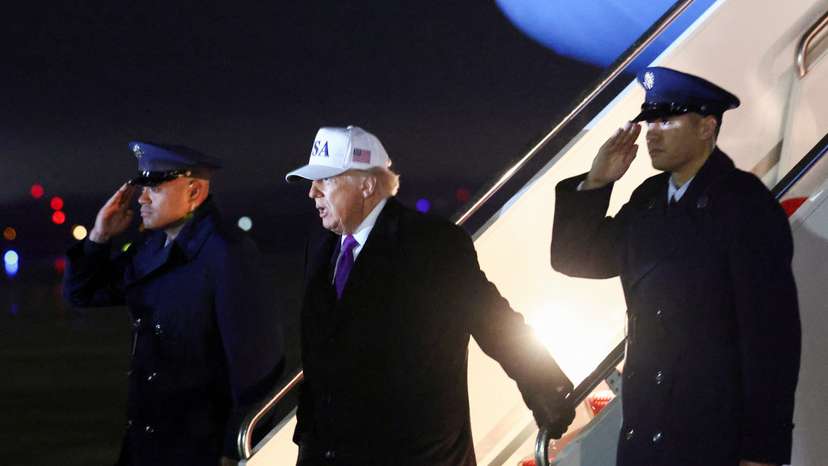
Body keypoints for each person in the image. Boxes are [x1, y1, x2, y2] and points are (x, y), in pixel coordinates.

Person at [549, 67, 801, 466]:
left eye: (667, 120)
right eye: (651, 121)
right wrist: (597, 182)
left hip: (712, 438)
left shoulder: (743, 205)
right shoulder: (650, 199)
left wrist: (760, 452)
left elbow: (771, 339)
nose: (652, 132)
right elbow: (576, 257)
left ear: (706, 127)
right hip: (646, 434)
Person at [284, 125, 576, 465]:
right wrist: (307, 441)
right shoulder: (321, 250)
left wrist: (547, 388)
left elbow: (493, 321)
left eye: (327, 180)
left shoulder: (431, 244)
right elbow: (320, 359)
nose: (313, 193)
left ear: (367, 184)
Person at [63, 141, 285, 466]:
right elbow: (81, 294)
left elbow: (258, 369)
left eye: (154, 186)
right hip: (146, 447)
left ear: (193, 191)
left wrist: (233, 452)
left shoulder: (228, 254)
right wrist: (99, 236)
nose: (141, 198)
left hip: (199, 452)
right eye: (142, 187)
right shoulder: (153, 249)